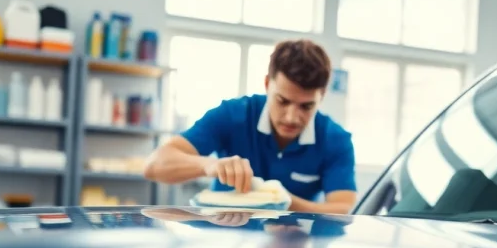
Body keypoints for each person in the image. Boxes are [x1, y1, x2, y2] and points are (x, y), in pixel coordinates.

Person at [144, 39, 357, 214]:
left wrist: (280, 200)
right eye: (282, 101)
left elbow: (341, 208)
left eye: (306, 106)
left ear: (322, 96)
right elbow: (154, 165)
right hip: (222, 242)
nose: (292, 117)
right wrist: (209, 165)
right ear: (267, 84)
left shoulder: (335, 139)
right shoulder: (233, 115)